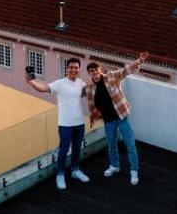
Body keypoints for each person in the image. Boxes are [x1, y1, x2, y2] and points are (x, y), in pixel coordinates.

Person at [26, 57, 90, 190]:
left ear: (79, 70)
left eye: (76, 68)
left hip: (79, 122)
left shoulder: (80, 83)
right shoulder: (60, 84)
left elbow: (87, 93)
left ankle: (75, 170)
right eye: (71, 67)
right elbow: (44, 88)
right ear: (66, 69)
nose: (73, 70)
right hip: (65, 124)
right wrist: (31, 82)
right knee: (63, 150)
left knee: (77, 148)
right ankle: (60, 175)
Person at [85, 52, 147, 185]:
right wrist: (93, 118)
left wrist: (139, 61)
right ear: (89, 73)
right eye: (91, 71)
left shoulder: (111, 76)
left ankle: (134, 170)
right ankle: (114, 165)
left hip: (121, 117)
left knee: (130, 145)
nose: (94, 72)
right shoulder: (89, 87)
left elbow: (126, 71)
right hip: (108, 120)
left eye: (96, 69)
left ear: (100, 70)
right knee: (111, 145)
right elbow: (89, 103)